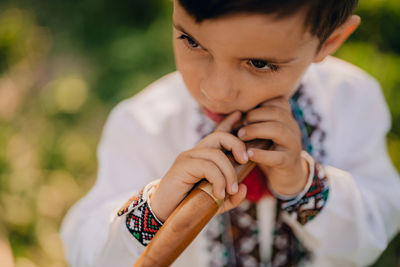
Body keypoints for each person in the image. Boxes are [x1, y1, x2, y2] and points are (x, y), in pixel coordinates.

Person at [60, 0, 400, 266]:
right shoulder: (144, 125)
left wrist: (304, 184)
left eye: (260, 64)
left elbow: (377, 227)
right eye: (192, 41)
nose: (217, 91)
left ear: (330, 41)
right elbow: (85, 251)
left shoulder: (352, 101)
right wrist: (157, 207)